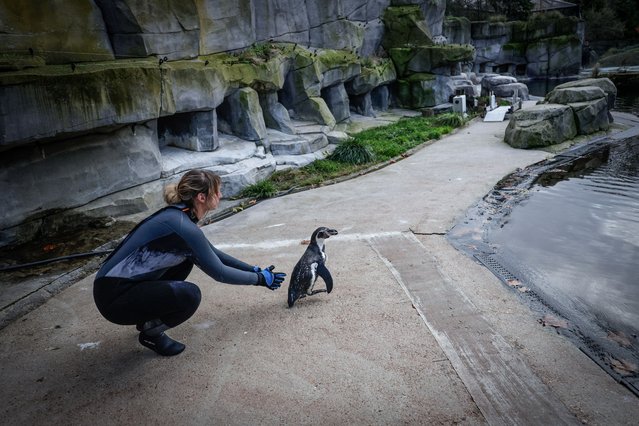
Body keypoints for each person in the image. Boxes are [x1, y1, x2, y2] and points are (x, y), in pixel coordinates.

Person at [93, 169, 285, 356]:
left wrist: (254, 269)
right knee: (189, 295)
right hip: (113, 298)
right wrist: (259, 279)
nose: (220, 194)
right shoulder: (181, 226)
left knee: (186, 260)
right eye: (217, 190)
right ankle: (151, 332)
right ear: (201, 197)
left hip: (114, 288)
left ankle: (146, 318)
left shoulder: (180, 216)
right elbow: (220, 272)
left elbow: (214, 254)